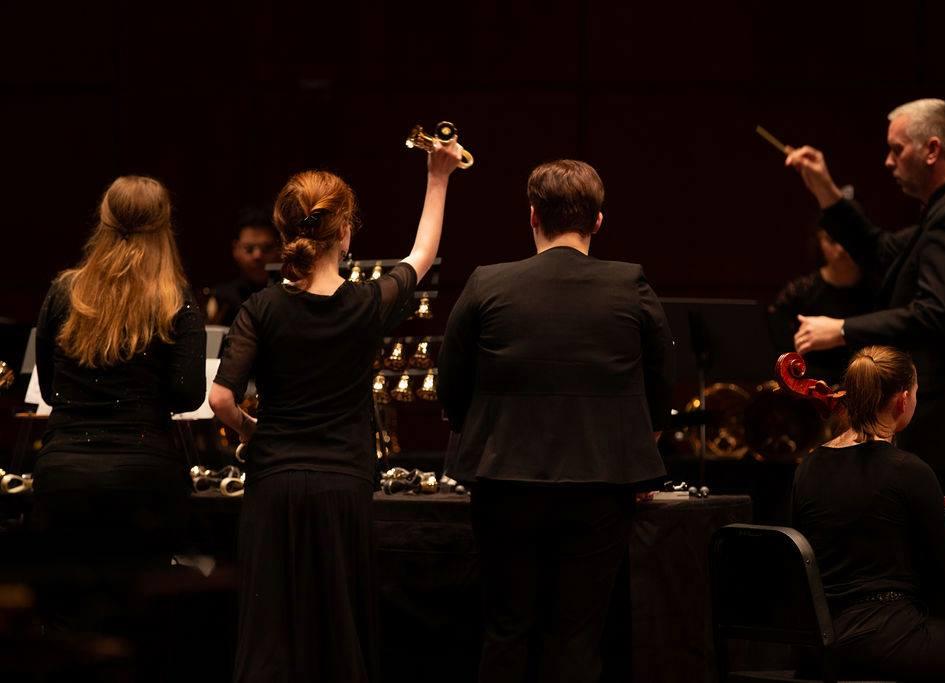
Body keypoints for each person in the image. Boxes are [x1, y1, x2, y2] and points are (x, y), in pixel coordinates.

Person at [209, 140, 463, 682]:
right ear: (345, 232)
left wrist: (255, 430)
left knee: (271, 632)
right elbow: (419, 257)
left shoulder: (261, 308)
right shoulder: (366, 304)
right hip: (342, 487)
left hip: (273, 486)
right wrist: (437, 176)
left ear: (285, 235)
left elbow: (221, 399)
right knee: (338, 631)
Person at [437, 160, 674, 683]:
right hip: (601, 484)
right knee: (577, 636)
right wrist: (643, 444)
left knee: (506, 629)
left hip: (503, 482)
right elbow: (660, 387)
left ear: (532, 216)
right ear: (598, 221)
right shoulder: (630, 285)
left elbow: (451, 387)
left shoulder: (486, 283)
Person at [784, 98, 945, 520]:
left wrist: (843, 328)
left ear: (932, 150)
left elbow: (936, 312)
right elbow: (882, 252)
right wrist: (825, 191)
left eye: (897, 149)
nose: (888, 162)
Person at [791, 346, 945, 681]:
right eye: (915, 392)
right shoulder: (908, 471)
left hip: (820, 643)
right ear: (902, 400)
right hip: (888, 639)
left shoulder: (808, 467)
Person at [32, 175, 206, 571]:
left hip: (63, 473)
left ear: (103, 220)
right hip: (143, 475)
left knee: (64, 612)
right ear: (164, 227)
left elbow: (50, 388)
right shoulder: (175, 298)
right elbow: (188, 393)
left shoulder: (64, 291)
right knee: (141, 613)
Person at [768, 228, 874, 385]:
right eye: (832, 241)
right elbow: (779, 347)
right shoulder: (799, 293)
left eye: (848, 239)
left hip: (866, 385)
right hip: (812, 389)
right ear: (819, 242)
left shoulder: (879, 289)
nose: (842, 249)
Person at [206, 208, 281, 325]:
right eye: (249, 249)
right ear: (236, 249)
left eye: (267, 248)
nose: (257, 256)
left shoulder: (288, 297)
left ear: (279, 248)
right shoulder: (222, 300)